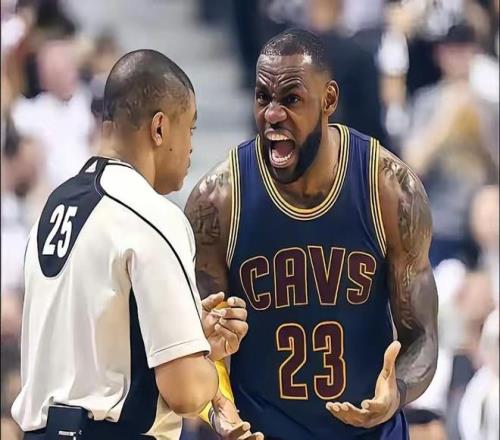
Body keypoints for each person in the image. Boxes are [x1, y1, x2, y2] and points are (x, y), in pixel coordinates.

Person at [185, 29, 439, 439]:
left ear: (329, 100)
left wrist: (398, 392)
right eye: (263, 97)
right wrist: (221, 409)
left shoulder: (390, 190)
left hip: (369, 432)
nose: (272, 114)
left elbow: (422, 338)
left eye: (291, 99)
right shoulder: (217, 201)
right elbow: (201, 347)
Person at [11, 49, 251, 440]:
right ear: (159, 128)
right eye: (190, 128)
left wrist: (189, 340)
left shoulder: (52, 208)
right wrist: (205, 364)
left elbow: (98, 354)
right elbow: (186, 391)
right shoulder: (152, 215)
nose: (191, 147)